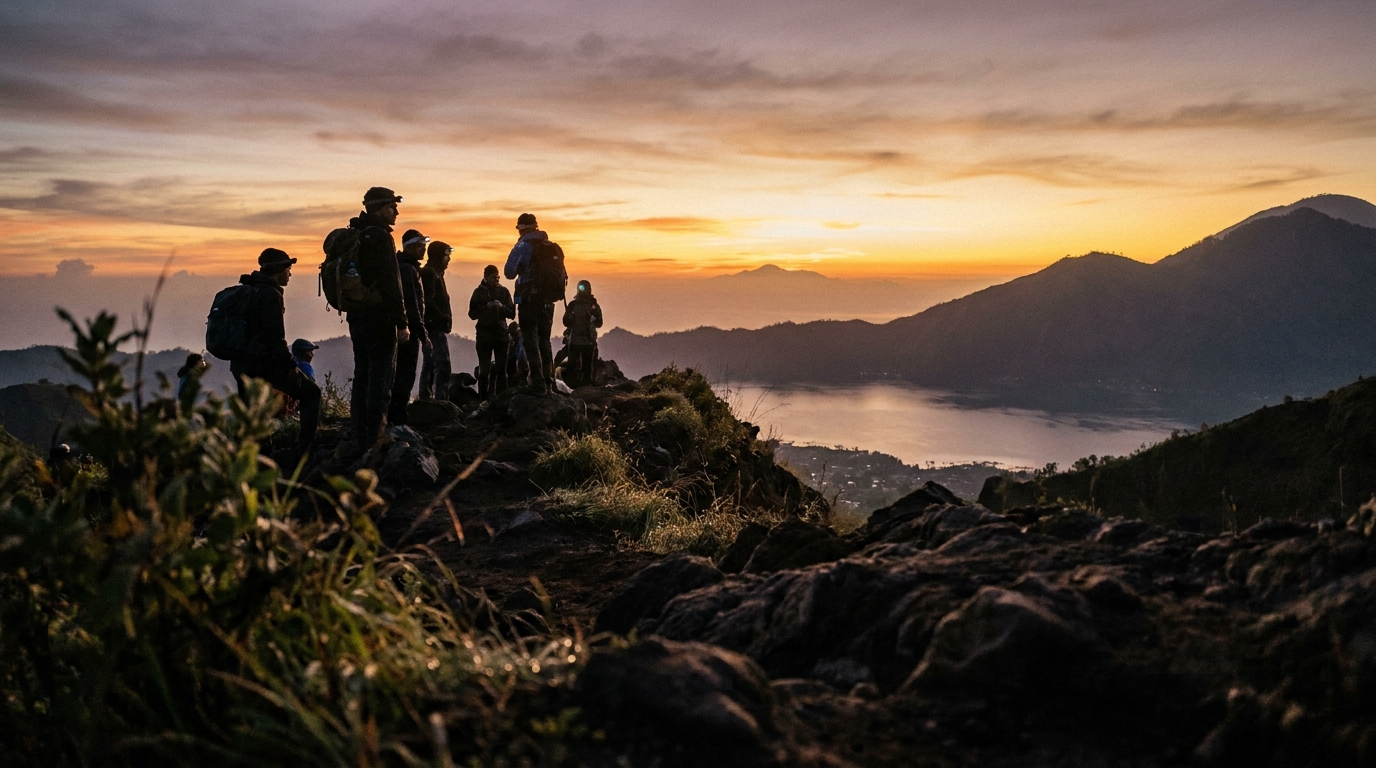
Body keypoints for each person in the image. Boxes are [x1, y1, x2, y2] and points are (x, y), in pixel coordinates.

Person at [229, 248, 321, 446]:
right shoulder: (271, 294)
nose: (290, 273)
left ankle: (260, 459)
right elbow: (275, 337)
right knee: (311, 393)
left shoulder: (249, 289)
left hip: (240, 365)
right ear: (279, 270)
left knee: (253, 413)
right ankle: (305, 448)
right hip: (263, 364)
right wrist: (289, 364)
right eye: (288, 268)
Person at [343, 187, 409, 448]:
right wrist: (402, 322)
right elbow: (392, 282)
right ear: (382, 208)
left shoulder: (356, 233)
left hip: (356, 315)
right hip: (380, 318)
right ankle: (377, 437)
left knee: (362, 374)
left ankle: (359, 433)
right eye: (393, 207)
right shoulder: (381, 236)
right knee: (381, 377)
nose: (396, 212)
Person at [504, 213, 566, 393]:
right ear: (536, 226)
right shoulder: (552, 246)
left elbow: (509, 272)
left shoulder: (523, 246)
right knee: (544, 340)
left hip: (529, 300)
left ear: (520, 228)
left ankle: (537, 382)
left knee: (530, 340)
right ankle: (549, 381)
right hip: (548, 301)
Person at [388, 229, 430, 426]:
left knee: (397, 374)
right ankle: (398, 420)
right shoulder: (408, 270)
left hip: (398, 328)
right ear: (412, 246)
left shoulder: (401, 266)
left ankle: (392, 417)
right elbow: (412, 304)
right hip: (407, 332)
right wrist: (422, 334)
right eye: (421, 245)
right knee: (405, 374)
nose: (424, 249)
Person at [469, 264, 515, 399]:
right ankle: (483, 399)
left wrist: (501, 307)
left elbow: (512, 313)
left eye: (498, 277)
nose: (496, 280)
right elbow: (472, 314)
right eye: (494, 277)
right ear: (486, 277)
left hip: (501, 336)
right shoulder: (478, 293)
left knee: (501, 370)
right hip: (484, 336)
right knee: (484, 370)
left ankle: (502, 399)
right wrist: (486, 307)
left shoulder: (504, 292)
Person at [419, 240, 455, 399]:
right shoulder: (429, 273)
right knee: (441, 363)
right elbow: (428, 301)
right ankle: (439, 400)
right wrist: (442, 318)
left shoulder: (436, 274)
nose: (449, 260)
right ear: (439, 256)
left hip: (435, 326)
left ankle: (428, 398)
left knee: (431, 363)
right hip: (433, 326)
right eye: (446, 256)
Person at [562, 279, 604, 387]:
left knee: (580, 366)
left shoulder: (578, 305)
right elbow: (566, 321)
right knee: (582, 366)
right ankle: (582, 386)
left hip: (582, 340)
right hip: (583, 340)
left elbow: (599, 322)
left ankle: (579, 387)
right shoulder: (589, 305)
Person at [505, 320, 529, 386]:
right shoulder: (515, 342)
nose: (512, 337)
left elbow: (522, 357)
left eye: (513, 334)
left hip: (525, 369)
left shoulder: (521, 340)